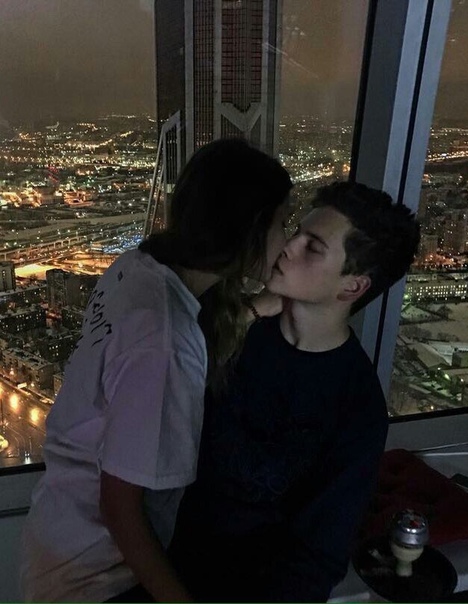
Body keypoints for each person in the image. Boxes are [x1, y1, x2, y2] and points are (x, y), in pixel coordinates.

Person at [19, 138, 293, 603]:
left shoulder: (137, 267)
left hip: (58, 538)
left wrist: (253, 309)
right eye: (282, 223)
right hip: (97, 580)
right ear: (247, 229)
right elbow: (120, 508)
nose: (287, 239)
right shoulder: (165, 342)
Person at [170, 181, 421, 602]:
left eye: (313, 247)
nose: (288, 246)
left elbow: (316, 556)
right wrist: (250, 312)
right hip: (164, 560)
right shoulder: (237, 331)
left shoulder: (356, 405)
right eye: (296, 232)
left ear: (352, 287)